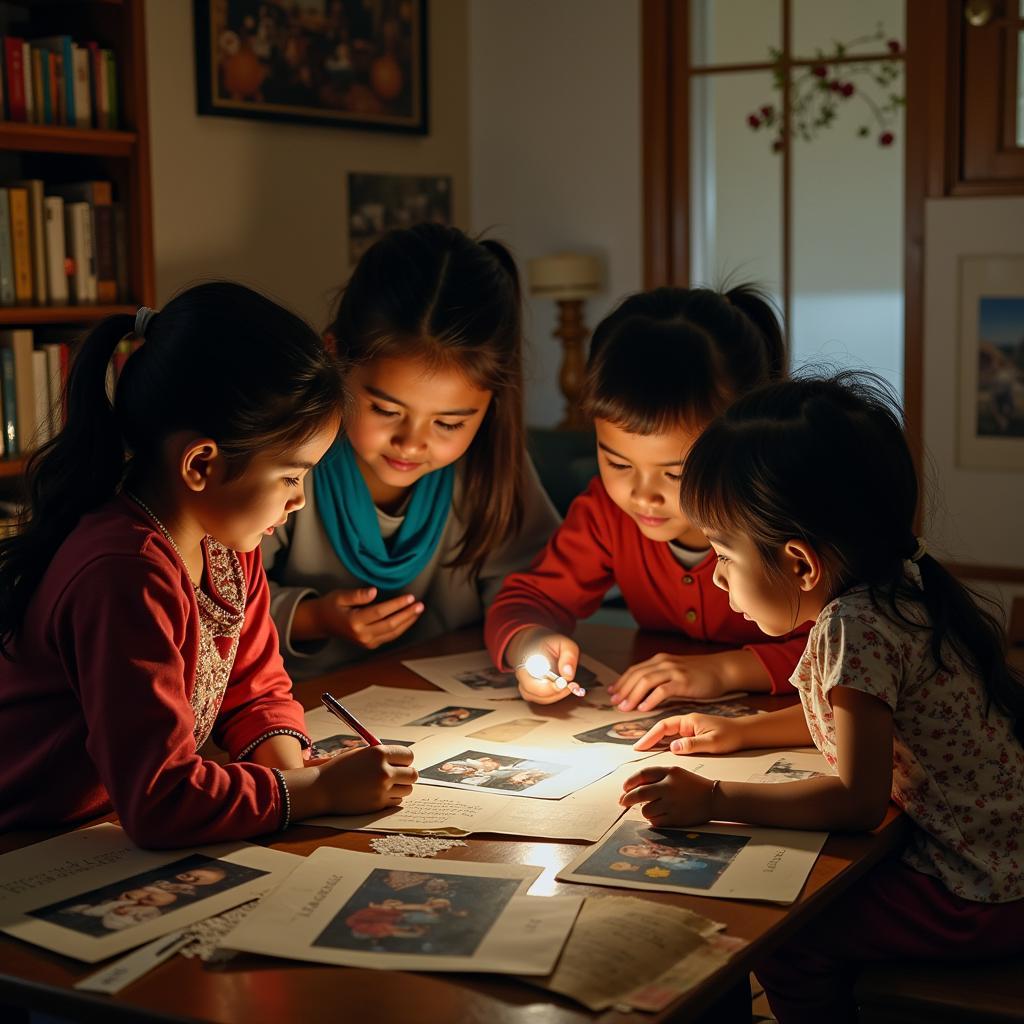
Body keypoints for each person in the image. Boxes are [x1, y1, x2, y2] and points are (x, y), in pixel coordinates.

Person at [621, 373, 1024, 1023]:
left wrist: (713, 798)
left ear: (802, 564)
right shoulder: (896, 583)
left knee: (782, 932)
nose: (716, 576)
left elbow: (856, 800)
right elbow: (860, 722)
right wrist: (740, 733)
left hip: (977, 898)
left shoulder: (852, 626)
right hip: (1005, 869)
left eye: (724, 553)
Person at [0, 283, 417, 848]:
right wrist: (317, 790)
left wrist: (290, 767)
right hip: (30, 841)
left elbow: (253, 686)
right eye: (291, 477)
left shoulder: (227, 541)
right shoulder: (124, 573)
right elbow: (161, 798)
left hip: (108, 823)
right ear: (201, 464)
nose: (300, 501)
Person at [485, 284, 809, 706]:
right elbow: (527, 599)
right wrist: (531, 643)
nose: (642, 495)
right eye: (618, 464)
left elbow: (854, 646)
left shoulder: (783, 523)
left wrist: (728, 670)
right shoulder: (607, 513)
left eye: (675, 474)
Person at [264, 224, 560, 678]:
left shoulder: (490, 466)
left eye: (449, 423)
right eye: (385, 409)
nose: (412, 443)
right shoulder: (285, 460)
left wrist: (531, 639)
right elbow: (211, 604)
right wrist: (312, 618)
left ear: (491, 404)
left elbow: (532, 585)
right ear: (335, 360)